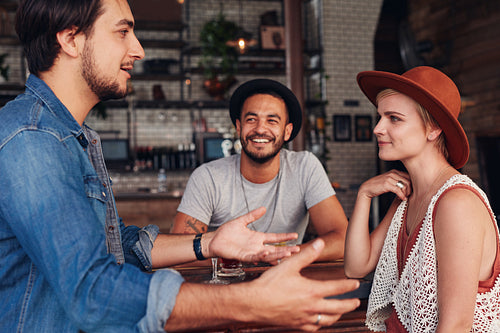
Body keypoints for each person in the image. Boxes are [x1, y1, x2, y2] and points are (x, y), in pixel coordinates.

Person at [0, 0, 362, 332]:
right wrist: (249, 302)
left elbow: (117, 246)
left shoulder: (75, 137)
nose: (138, 49)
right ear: (70, 40)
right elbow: (94, 291)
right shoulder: (32, 139)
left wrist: (210, 242)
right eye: (123, 31)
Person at [344, 66, 500, 332]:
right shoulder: (406, 196)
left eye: (394, 118)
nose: (378, 129)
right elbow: (356, 266)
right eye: (380, 117)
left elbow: (455, 326)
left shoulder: (456, 203)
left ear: (433, 130)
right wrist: (364, 194)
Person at [171, 79, 348, 261]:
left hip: (283, 281)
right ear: (239, 127)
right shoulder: (208, 177)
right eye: (251, 119)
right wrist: (246, 259)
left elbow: (342, 240)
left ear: (287, 132)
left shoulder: (305, 167)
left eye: (272, 120)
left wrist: (280, 256)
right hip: (223, 285)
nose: (260, 129)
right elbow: (178, 252)